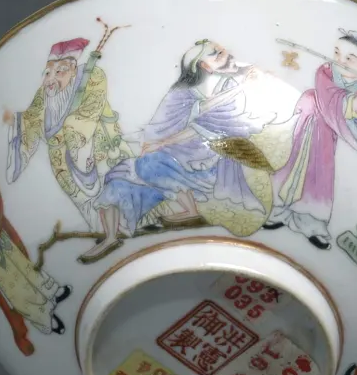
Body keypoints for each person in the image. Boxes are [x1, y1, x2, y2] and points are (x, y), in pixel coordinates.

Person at [81, 39, 291, 262]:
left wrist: (161, 144)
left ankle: (190, 212)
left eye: (223, 53)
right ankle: (111, 237)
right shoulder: (184, 92)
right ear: (203, 65)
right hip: (178, 149)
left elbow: (203, 125)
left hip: (202, 154)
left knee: (152, 164)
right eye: (217, 54)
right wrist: (155, 141)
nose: (227, 55)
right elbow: (166, 123)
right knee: (118, 177)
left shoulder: (235, 85)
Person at [265, 30, 357, 249]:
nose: (340, 61)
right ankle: (276, 211)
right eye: (337, 54)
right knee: (289, 169)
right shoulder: (325, 73)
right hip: (305, 126)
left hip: (324, 140)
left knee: (319, 178)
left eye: (349, 58)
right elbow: (338, 106)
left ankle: (311, 224)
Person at [4, 37, 133, 229]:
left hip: (102, 153)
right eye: (47, 73)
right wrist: (16, 121)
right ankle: (106, 236)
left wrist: (74, 134)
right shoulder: (43, 95)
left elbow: (89, 113)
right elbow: (30, 121)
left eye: (59, 72)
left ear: (73, 69)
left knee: (122, 197)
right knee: (93, 215)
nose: (51, 79)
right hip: (64, 169)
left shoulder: (93, 76)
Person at [0, 161, 71, 356]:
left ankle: (53, 292)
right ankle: (46, 319)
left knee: (29, 271)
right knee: (20, 294)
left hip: (3, 247)